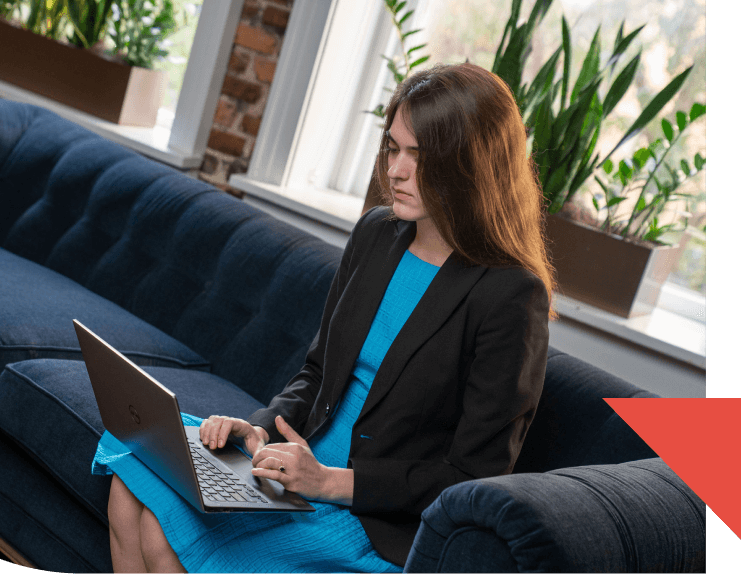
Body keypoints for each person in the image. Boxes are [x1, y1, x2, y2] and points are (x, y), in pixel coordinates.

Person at [97, 61, 556, 573]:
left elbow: (472, 477)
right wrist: (256, 431)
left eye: (419, 156)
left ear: (471, 164)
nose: (396, 171)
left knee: (163, 538)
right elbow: (317, 374)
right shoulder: (377, 234)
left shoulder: (511, 295)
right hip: (287, 471)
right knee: (132, 466)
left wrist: (329, 482)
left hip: (366, 515)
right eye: (393, 148)